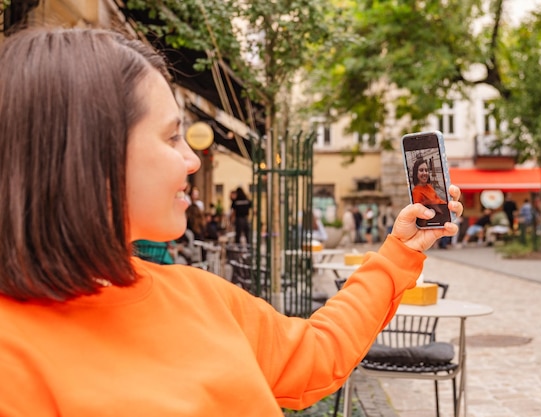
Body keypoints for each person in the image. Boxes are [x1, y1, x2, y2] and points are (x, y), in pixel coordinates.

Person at [0, 27, 463, 415]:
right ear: (88, 155)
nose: (192, 160)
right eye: (171, 136)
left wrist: (400, 250)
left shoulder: (200, 295)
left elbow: (318, 352)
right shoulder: (14, 359)